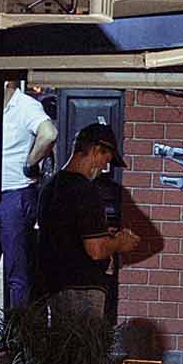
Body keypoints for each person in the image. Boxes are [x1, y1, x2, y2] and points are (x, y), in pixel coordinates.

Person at [31, 124, 142, 318]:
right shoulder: (85, 190)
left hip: (55, 285)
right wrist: (120, 242)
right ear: (96, 151)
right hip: (82, 287)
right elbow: (96, 250)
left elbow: (66, 235)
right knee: (84, 337)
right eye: (106, 160)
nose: (104, 168)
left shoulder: (50, 187)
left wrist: (104, 236)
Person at [0, 77, 56, 307]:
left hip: (15, 194)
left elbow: (49, 133)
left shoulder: (26, 105)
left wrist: (30, 163)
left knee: (17, 272)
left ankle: (18, 326)